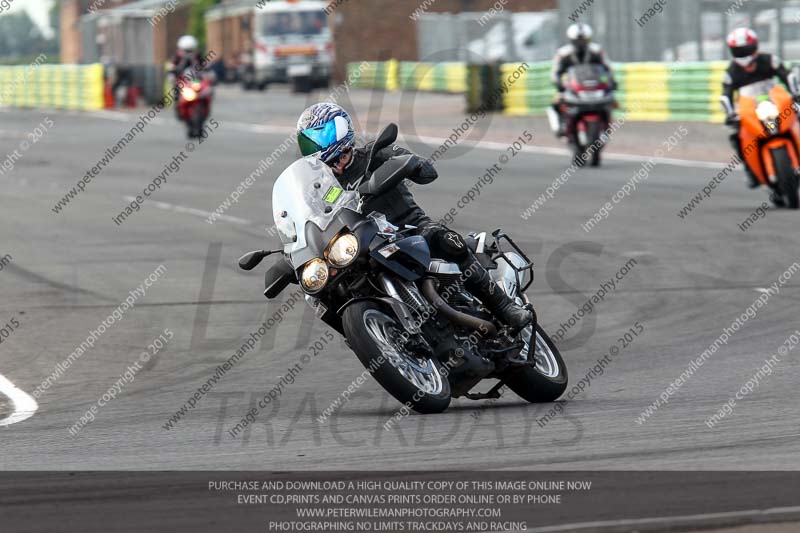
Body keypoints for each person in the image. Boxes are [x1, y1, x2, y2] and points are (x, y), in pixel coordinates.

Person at [295, 103, 535, 334]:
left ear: (341, 129)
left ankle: (505, 307)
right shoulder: (319, 187)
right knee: (325, 291)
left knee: (444, 239)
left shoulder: (373, 154)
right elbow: (308, 221)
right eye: (309, 141)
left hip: (408, 227)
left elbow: (428, 172)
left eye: (321, 136)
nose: (315, 145)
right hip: (361, 245)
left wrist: (413, 165)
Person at [721, 27, 800, 189]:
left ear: (755, 46)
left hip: (774, 101)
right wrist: (730, 114)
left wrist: (795, 93)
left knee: (798, 112)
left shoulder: (769, 60)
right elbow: (726, 94)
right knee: (736, 135)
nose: (743, 53)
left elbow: (786, 75)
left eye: (746, 49)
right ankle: (750, 171)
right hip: (750, 108)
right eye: (739, 50)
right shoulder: (731, 72)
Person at [549, 23, 616, 138]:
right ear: (572, 40)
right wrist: (559, 84)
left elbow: (608, 68)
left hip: (594, 86)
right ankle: (561, 126)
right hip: (571, 87)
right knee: (556, 102)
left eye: (584, 40)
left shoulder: (597, 51)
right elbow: (555, 72)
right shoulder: (563, 54)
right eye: (578, 40)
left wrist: (612, 81)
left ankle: (607, 125)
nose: (581, 43)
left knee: (611, 100)